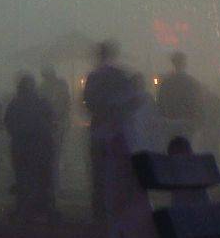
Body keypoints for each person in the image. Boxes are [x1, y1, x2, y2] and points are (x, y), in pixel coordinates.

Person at [82, 41, 144, 221]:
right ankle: (118, 210)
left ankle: (100, 211)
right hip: (119, 132)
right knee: (119, 173)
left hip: (99, 130)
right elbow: (134, 101)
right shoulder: (121, 76)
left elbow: (88, 103)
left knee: (99, 173)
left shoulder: (94, 77)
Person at [4, 73, 58, 224]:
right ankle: (43, 208)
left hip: (22, 146)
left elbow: (8, 123)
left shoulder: (15, 104)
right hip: (41, 146)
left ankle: (24, 209)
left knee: (23, 178)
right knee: (42, 178)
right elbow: (52, 121)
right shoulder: (42, 102)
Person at [39, 64, 72, 195]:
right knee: (54, 157)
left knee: (55, 156)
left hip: (56, 125)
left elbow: (66, 104)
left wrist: (59, 119)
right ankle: (55, 186)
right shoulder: (45, 87)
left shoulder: (49, 87)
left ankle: (55, 186)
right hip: (52, 126)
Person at [155, 51, 205, 137]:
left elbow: (160, 103)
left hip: (170, 123)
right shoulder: (192, 82)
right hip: (187, 124)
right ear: (185, 64)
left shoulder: (166, 82)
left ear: (173, 63)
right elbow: (198, 103)